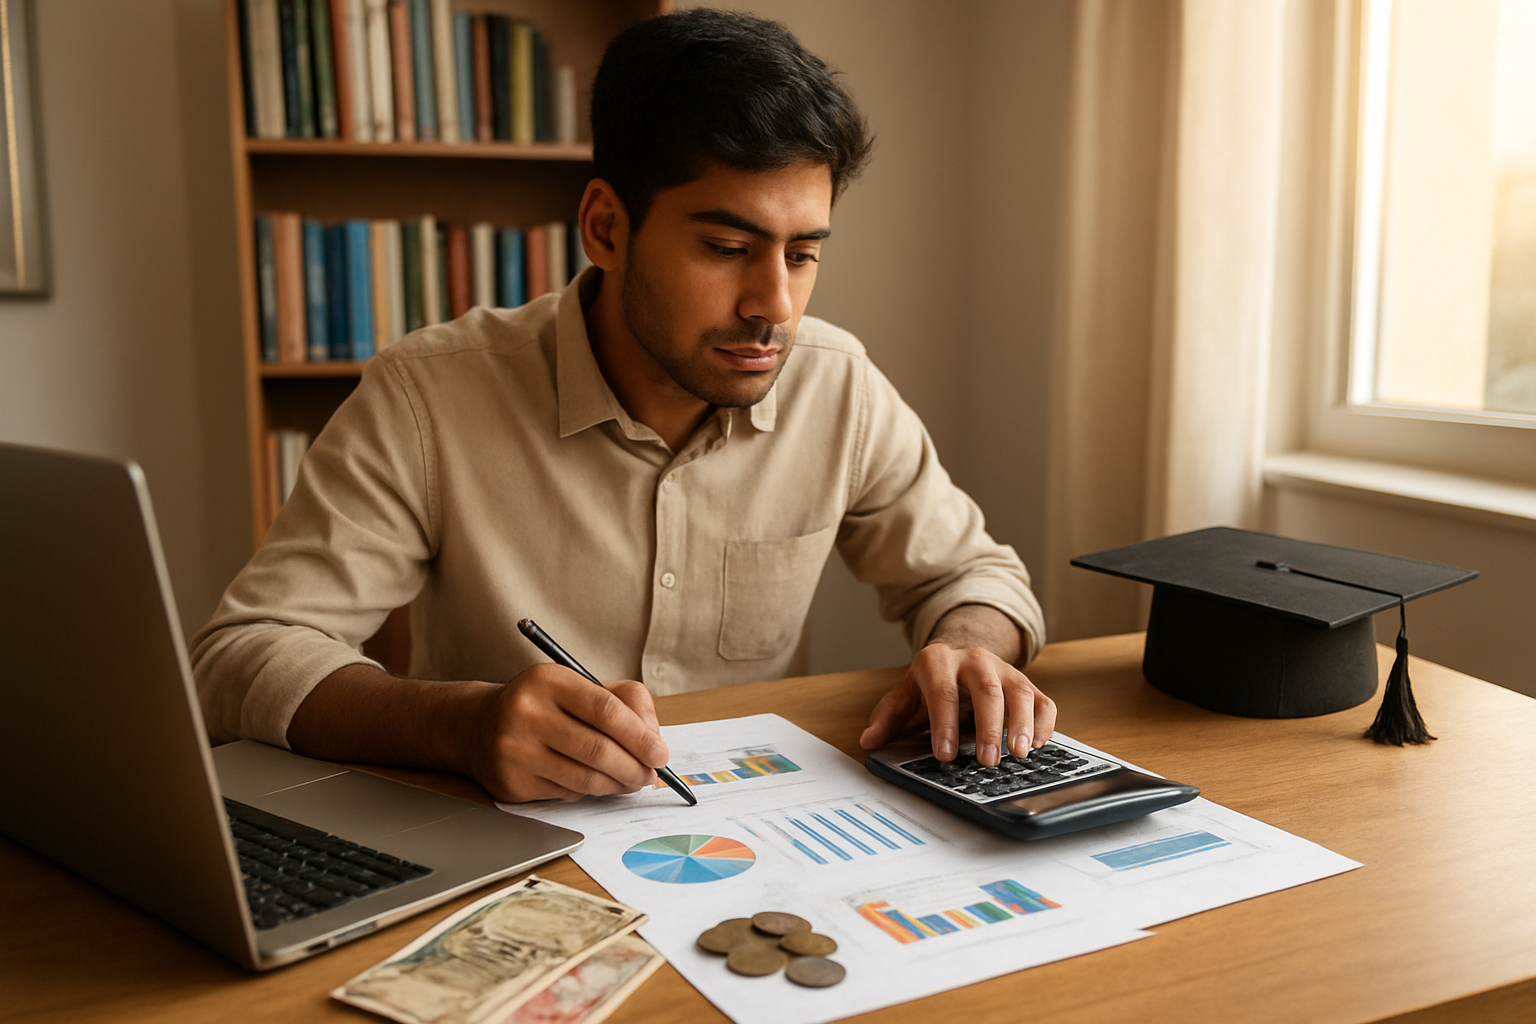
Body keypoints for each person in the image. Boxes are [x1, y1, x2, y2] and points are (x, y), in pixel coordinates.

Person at [192, 8, 1053, 804]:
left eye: (801, 254)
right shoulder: (429, 396)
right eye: (726, 247)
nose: (775, 306)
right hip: (508, 848)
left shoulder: (838, 387)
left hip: (761, 839)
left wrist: (967, 645)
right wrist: (461, 726)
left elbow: (972, 577)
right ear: (606, 228)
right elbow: (241, 655)